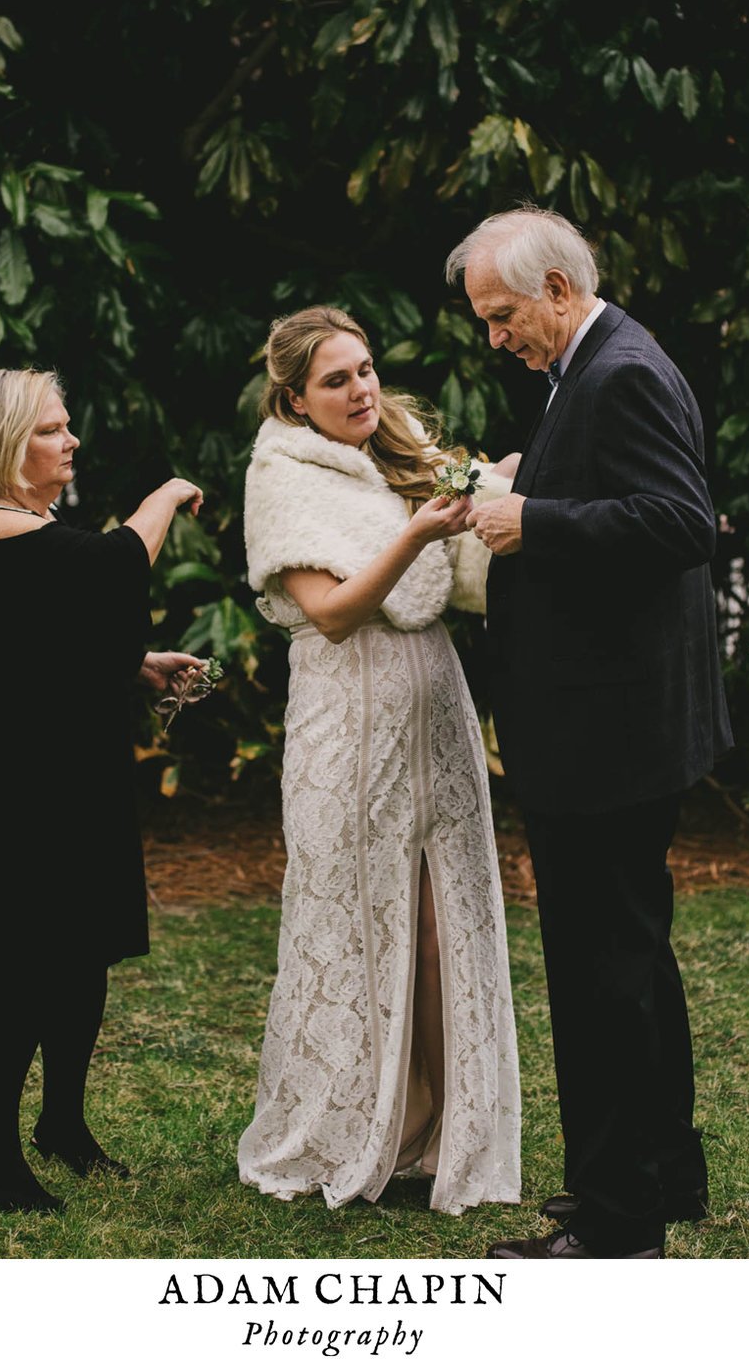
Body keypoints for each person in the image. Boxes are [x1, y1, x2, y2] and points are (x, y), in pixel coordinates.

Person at [446, 208, 733, 1261]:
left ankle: (617, 1226)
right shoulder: (598, 364)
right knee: (634, 959)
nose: (495, 337)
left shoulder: (621, 371)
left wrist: (535, 520)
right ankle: (654, 1171)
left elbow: (680, 521)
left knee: (600, 972)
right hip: (616, 720)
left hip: (607, 734)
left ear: (559, 288)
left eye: (503, 314)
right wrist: (537, 486)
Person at [234, 306, 523, 1216]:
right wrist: (418, 532)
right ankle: (364, 1121)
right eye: (336, 379)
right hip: (344, 724)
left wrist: (492, 496)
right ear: (294, 396)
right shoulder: (280, 475)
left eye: (364, 370)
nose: (361, 389)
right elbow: (332, 610)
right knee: (355, 915)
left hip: (431, 709)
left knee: (442, 919)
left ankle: (443, 1123)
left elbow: (467, 561)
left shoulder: (394, 449)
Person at [0, 366, 207, 1214]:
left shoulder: (33, 526)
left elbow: (49, 637)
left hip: (73, 769)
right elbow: (114, 567)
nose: (71, 440)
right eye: (53, 428)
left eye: (67, 424)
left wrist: (139, 663)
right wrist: (165, 493)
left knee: (82, 954)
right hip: (18, 784)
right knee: (24, 965)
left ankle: (63, 1124)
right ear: (10, 443)